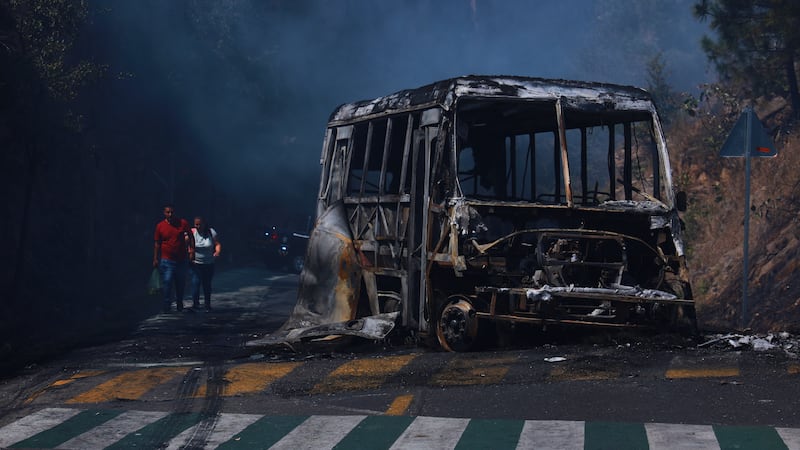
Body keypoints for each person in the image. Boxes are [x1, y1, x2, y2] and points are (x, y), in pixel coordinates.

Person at [153, 204, 193, 313]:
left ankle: (179, 303)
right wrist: (155, 258)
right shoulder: (160, 226)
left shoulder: (182, 223)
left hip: (181, 259)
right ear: (164, 213)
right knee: (167, 282)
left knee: (180, 283)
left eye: (172, 212)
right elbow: (157, 243)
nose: (170, 214)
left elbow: (191, 236)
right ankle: (167, 305)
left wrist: (191, 250)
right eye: (168, 212)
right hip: (167, 260)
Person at [190, 216, 221, 311]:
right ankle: (195, 304)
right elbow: (186, 244)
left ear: (204, 224)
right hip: (196, 263)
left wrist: (217, 252)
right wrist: (189, 252)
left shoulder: (211, 232)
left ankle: (207, 304)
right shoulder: (192, 232)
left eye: (200, 224)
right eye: (196, 224)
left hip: (208, 263)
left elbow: (217, 244)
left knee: (206, 284)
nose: (198, 226)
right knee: (195, 283)